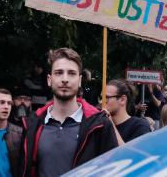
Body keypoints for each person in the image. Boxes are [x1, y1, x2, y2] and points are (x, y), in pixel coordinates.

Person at [20, 48, 118, 177]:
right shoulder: (32, 124)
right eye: (59, 73)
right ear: (49, 79)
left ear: (79, 80)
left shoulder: (100, 125)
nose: (65, 79)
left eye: (71, 73)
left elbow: (113, 171)